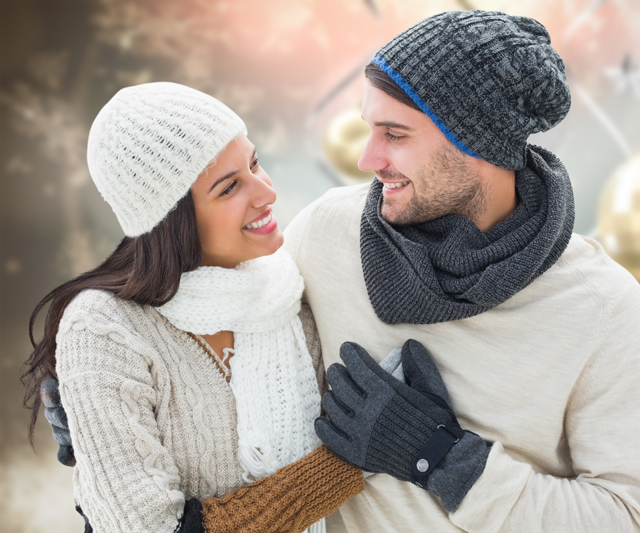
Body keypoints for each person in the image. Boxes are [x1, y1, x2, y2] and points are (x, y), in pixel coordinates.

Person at [289, 10, 640, 533]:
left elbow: (630, 520)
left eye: (395, 135)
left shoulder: (599, 303)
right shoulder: (327, 235)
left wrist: (442, 458)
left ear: (479, 144)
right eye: (369, 128)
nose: (367, 159)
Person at [22, 81, 409, 533]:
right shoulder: (106, 327)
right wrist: (348, 465)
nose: (265, 192)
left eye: (254, 162)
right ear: (170, 221)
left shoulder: (290, 295)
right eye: (229, 188)